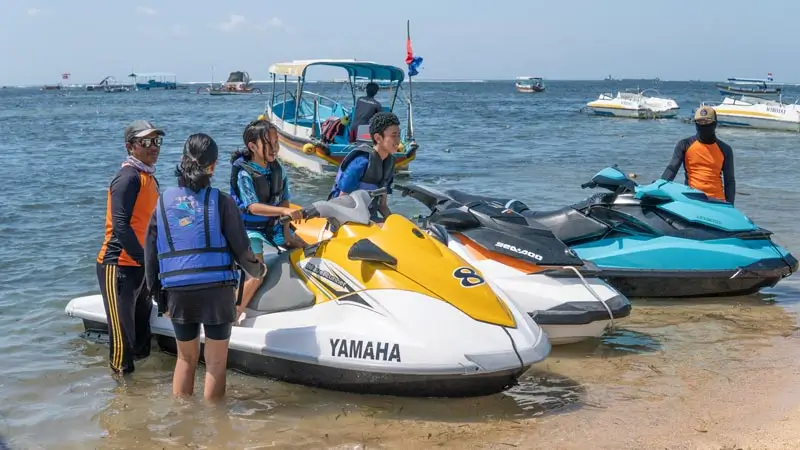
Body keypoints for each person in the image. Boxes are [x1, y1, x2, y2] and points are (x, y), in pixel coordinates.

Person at [144, 133, 266, 401]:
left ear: (182, 161)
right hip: (216, 291)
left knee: (185, 359)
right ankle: (215, 425)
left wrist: (158, 296)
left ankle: (182, 421)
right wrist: (259, 271)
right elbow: (242, 251)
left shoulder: (162, 204)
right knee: (215, 363)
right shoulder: (222, 202)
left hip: (177, 291)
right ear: (213, 166)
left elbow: (150, 256)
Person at [95, 120, 164, 375]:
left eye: (157, 141)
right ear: (130, 147)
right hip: (118, 266)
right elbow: (120, 227)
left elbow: (151, 223)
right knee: (122, 340)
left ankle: (141, 401)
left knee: (141, 336)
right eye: (146, 142)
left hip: (140, 266)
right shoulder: (127, 178)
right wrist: (143, 260)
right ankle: (122, 398)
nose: (153, 146)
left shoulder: (148, 176)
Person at [229, 119, 305, 319]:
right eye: (268, 144)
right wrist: (283, 213)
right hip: (249, 229)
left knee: (305, 249)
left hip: (273, 225)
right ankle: (233, 315)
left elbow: (285, 201)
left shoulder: (278, 169)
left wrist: (287, 232)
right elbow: (252, 207)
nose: (275, 149)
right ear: (252, 146)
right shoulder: (244, 173)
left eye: (276, 143)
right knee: (258, 273)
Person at [329, 111, 401, 221]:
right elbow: (341, 200)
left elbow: (382, 206)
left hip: (369, 216)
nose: (398, 141)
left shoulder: (389, 163)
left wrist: (396, 224)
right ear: (378, 138)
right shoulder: (360, 163)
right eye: (394, 136)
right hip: (345, 215)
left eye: (399, 135)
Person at [661, 106, 736, 204]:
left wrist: (730, 207)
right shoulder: (685, 145)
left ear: (715, 123)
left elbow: (729, 181)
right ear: (695, 124)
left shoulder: (725, 149)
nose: (703, 125)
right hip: (692, 199)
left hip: (717, 201)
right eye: (700, 122)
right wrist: (658, 188)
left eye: (707, 121)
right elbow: (671, 170)